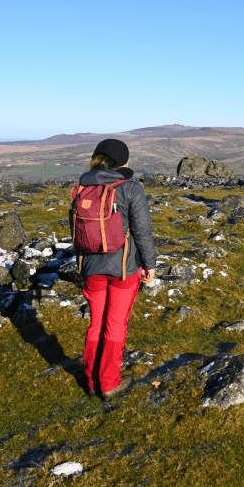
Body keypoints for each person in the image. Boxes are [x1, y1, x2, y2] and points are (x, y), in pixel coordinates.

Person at [74, 139, 157, 398]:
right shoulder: (131, 189)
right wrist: (149, 265)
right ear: (123, 161)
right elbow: (142, 231)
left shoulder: (82, 186)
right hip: (124, 269)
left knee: (96, 323)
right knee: (115, 324)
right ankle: (109, 383)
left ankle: (90, 380)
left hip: (90, 266)